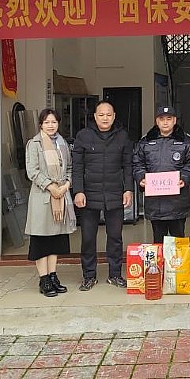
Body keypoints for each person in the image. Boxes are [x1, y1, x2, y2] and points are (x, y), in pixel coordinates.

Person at [71, 101, 134, 291]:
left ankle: (115, 274)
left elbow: (128, 166)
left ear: (114, 116)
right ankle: (89, 276)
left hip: (115, 193)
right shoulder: (83, 135)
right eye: (101, 115)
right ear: (95, 117)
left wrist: (128, 189)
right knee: (88, 238)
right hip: (89, 193)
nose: (105, 118)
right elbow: (77, 166)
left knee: (115, 237)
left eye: (108, 115)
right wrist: (78, 191)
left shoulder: (122, 136)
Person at [24, 108, 76, 298]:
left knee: (55, 240)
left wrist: (66, 185)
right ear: (41, 124)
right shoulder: (34, 144)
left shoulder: (63, 143)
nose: (51, 125)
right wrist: (51, 187)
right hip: (43, 198)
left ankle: (53, 275)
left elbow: (69, 167)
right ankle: (43, 279)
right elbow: (32, 171)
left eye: (54, 122)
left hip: (61, 196)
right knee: (41, 240)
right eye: (47, 122)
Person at [132, 105, 190, 243]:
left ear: (174, 120)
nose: (165, 122)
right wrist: (141, 177)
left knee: (178, 241)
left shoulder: (186, 140)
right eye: (162, 119)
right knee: (158, 243)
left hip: (177, 202)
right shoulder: (145, 141)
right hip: (155, 203)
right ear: (157, 121)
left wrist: (184, 178)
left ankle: (178, 259)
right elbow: (137, 163)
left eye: (169, 119)